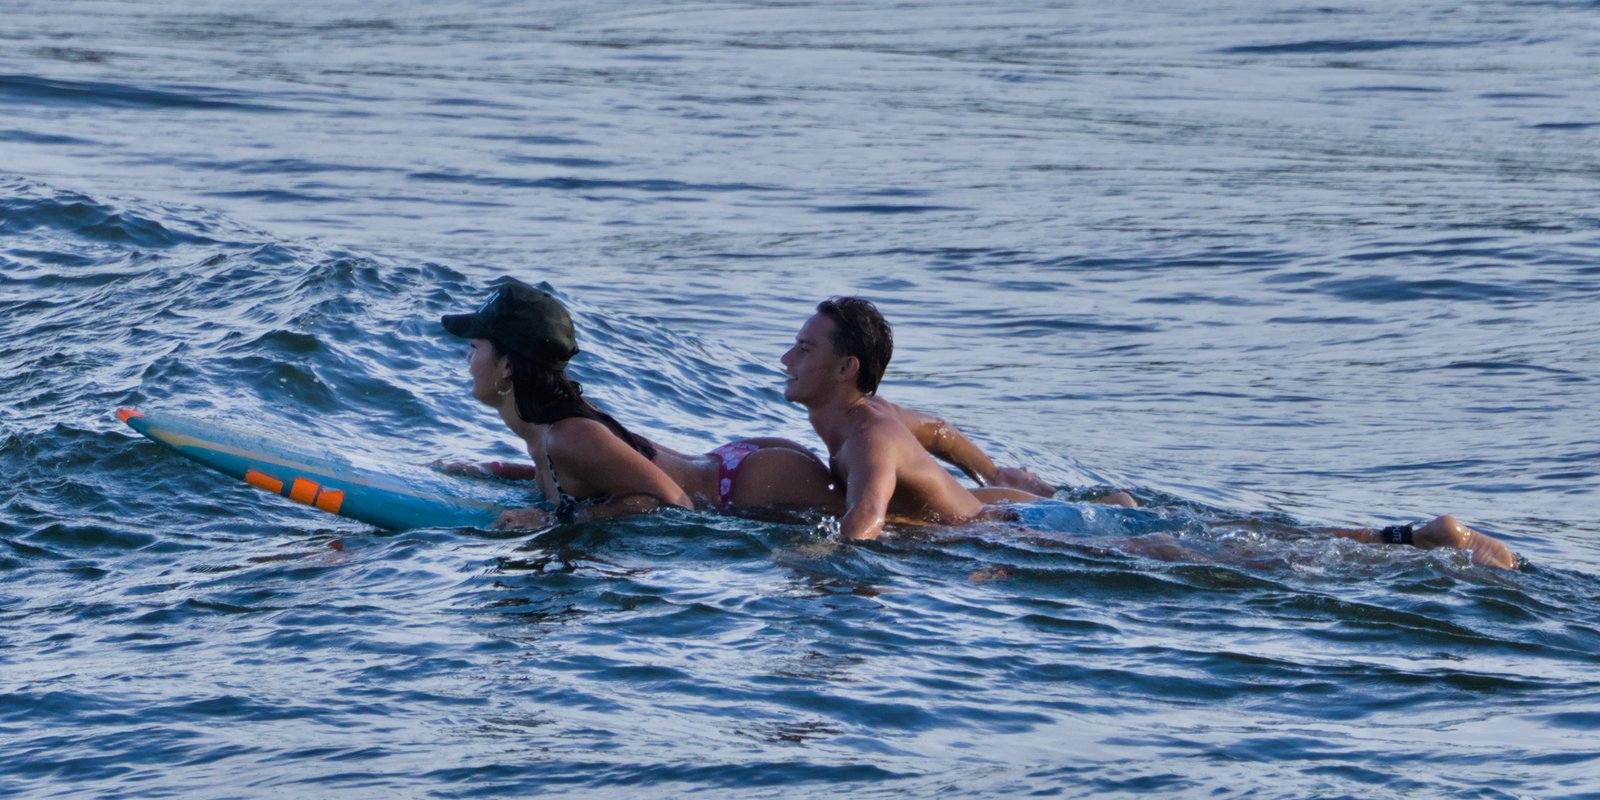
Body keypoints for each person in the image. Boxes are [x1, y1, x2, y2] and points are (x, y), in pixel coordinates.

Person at [780, 296, 1520, 570]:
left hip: (1021, 531)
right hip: (1022, 514)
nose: (788, 357)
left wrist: (799, 555)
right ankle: (1405, 538)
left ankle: (1417, 545)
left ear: (847, 368)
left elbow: (864, 531)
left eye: (804, 348)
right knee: (1210, 535)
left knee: (1199, 552)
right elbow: (938, 431)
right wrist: (990, 469)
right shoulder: (876, 415)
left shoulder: (868, 437)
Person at [442, 279, 841, 525]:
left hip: (745, 485)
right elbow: (588, 477)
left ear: (508, 364)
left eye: (475, 347)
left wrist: (558, 519)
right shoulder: (552, 426)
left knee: (894, 529)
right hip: (727, 467)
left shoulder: (568, 435)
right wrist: (492, 469)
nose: (468, 358)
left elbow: (674, 503)